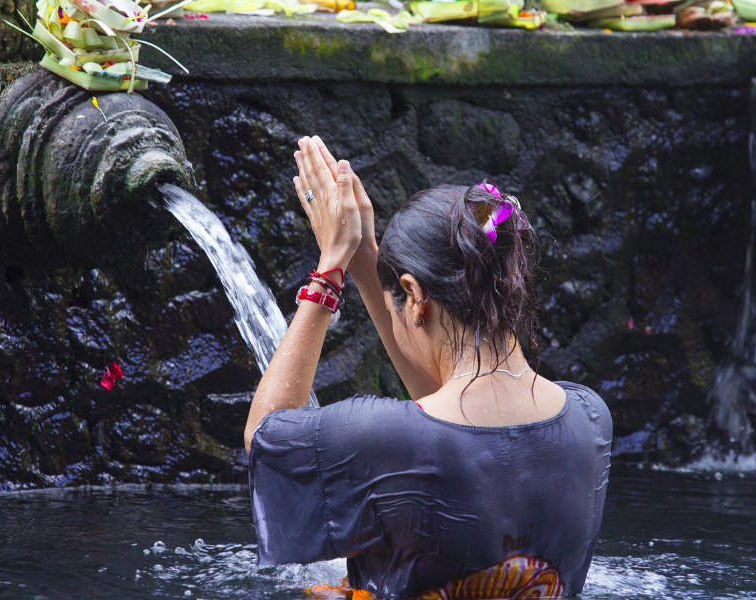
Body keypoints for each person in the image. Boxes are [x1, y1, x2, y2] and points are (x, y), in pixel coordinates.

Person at [243, 136, 612, 599]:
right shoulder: (591, 419)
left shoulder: (381, 438)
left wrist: (331, 268)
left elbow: (264, 437)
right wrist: (365, 261)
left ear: (415, 298)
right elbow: (447, 415)